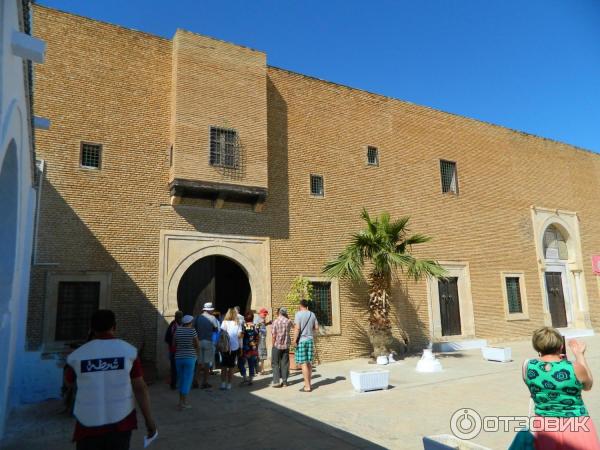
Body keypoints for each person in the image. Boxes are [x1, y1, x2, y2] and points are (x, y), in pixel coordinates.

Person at [64, 310, 156, 450]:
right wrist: (149, 420)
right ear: (114, 327)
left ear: (92, 329)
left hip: (87, 424)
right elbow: (140, 387)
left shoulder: (77, 355)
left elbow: (69, 383)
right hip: (121, 423)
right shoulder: (129, 352)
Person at [522, 327, 600, 449]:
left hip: (545, 426)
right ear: (560, 346)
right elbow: (588, 385)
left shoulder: (528, 366)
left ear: (537, 346)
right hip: (576, 424)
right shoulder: (574, 368)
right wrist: (579, 354)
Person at [174, 315, 200, 409]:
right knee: (187, 380)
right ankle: (183, 403)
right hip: (190, 357)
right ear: (190, 322)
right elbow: (197, 344)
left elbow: (174, 344)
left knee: (181, 379)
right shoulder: (192, 331)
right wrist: (197, 354)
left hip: (178, 358)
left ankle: (180, 401)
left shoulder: (178, 330)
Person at [294, 300, 319, 392]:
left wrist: (294, 340)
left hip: (302, 340)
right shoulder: (312, 314)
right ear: (307, 306)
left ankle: (307, 386)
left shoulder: (298, 314)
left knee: (303, 363)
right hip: (310, 340)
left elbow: (297, 328)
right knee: (309, 362)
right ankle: (310, 384)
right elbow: (316, 328)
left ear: (300, 306)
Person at [193, 302, 219, 389]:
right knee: (207, 363)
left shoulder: (197, 318)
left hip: (199, 342)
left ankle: (195, 381)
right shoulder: (213, 318)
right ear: (209, 310)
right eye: (211, 310)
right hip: (208, 341)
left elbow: (193, 328)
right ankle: (205, 382)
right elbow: (216, 329)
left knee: (199, 363)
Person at [220, 307, 243, 390]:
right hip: (234, 347)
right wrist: (241, 348)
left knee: (224, 366)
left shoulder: (224, 323)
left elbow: (222, 334)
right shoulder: (238, 323)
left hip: (225, 347)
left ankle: (223, 383)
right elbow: (240, 336)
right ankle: (229, 384)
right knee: (231, 366)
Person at [271, 307, 292, 388]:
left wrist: (273, 345)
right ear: (285, 313)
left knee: (275, 363)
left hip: (277, 345)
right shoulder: (288, 321)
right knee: (285, 363)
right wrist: (288, 317)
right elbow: (293, 326)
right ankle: (285, 382)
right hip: (286, 346)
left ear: (279, 312)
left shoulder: (275, 321)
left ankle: (276, 381)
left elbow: (274, 335)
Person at [164, 311, 183, 390]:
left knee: (174, 367)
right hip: (175, 350)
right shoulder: (175, 325)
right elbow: (168, 338)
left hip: (175, 350)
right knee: (175, 368)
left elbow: (166, 338)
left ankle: (175, 383)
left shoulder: (174, 325)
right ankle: (174, 384)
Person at [239, 311, 259, 385]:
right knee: (251, 364)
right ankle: (250, 380)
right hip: (253, 348)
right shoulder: (256, 326)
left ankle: (244, 377)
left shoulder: (244, 326)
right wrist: (255, 345)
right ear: (252, 318)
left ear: (245, 318)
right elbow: (257, 337)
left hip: (245, 347)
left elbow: (241, 337)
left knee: (241, 363)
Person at [256, 307, 270, 375]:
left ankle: (261, 369)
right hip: (260, 338)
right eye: (264, 314)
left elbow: (262, 326)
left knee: (262, 352)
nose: (265, 316)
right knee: (261, 353)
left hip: (263, 338)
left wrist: (268, 323)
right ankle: (261, 370)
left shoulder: (262, 319)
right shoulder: (258, 319)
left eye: (266, 314)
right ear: (260, 313)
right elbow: (255, 327)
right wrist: (259, 324)